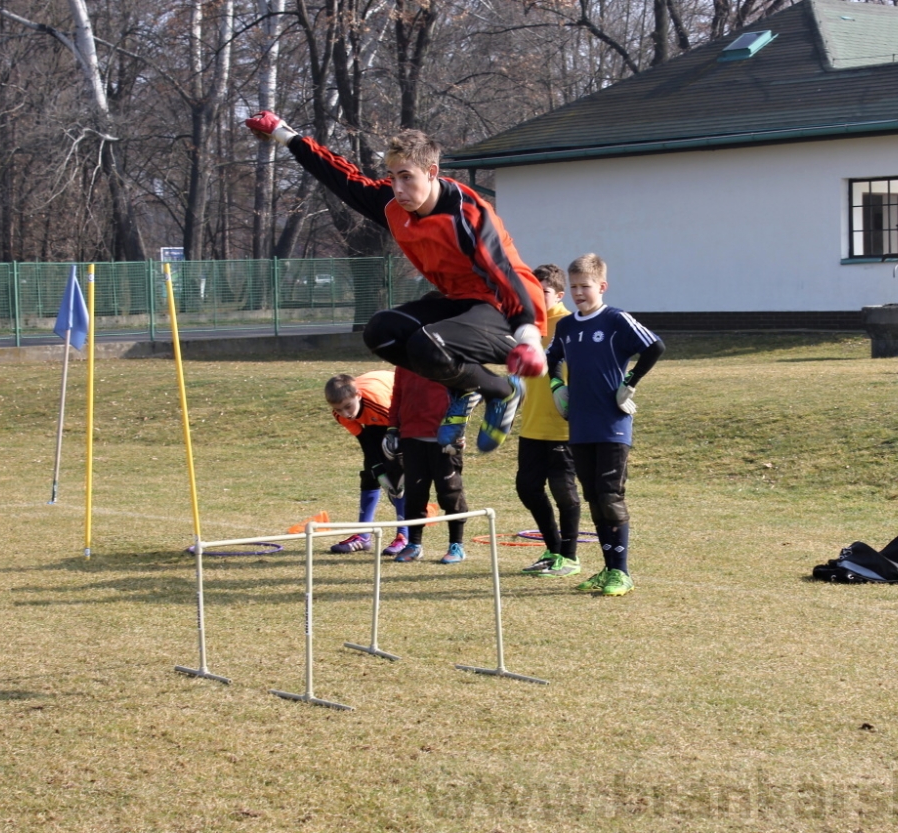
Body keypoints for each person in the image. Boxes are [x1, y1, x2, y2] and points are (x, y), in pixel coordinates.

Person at [245, 112, 547, 454]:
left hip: (507, 308)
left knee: (427, 344)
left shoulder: (468, 214)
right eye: (392, 178)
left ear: (432, 173)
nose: (399, 189)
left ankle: (502, 390)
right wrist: (285, 135)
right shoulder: (393, 205)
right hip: (459, 301)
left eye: (407, 177)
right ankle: (473, 387)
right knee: (381, 332)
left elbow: (504, 273)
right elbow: (341, 178)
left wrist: (528, 334)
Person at [546, 254, 664, 596]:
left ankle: (621, 573)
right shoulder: (566, 326)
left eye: (585, 286)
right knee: (594, 497)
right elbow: (552, 359)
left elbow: (655, 346)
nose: (579, 293)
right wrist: (557, 387)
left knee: (610, 496)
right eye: (573, 287)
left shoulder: (615, 320)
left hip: (612, 423)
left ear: (602, 286)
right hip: (579, 424)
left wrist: (631, 380)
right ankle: (608, 568)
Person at [515, 265, 582, 577]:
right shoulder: (526, 327)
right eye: (532, 292)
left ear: (558, 294)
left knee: (564, 491)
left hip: (563, 425)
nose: (536, 299)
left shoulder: (571, 325)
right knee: (527, 488)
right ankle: (553, 548)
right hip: (531, 425)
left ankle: (569, 556)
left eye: (542, 292)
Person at [388, 366, 473, 564]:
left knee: (450, 492)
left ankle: (456, 545)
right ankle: (414, 545)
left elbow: (467, 395)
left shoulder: (449, 357)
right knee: (415, 493)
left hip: (444, 439)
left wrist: (459, 429)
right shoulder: (403, 360)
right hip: (411, 437)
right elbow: (397, 395)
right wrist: (392, 428)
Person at [324, 372, 409, 555]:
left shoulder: (378, 404)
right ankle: (363, 536)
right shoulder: (340, 414)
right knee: (370, 473)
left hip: (399, 409)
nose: (345, 414)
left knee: (398, 476)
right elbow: (365, 442)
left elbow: (405, 431)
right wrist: (377, 470)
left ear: (358, 396)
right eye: (339, 410)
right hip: (373, 417)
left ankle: (404, 535)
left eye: (348, 407)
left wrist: (396, 472)